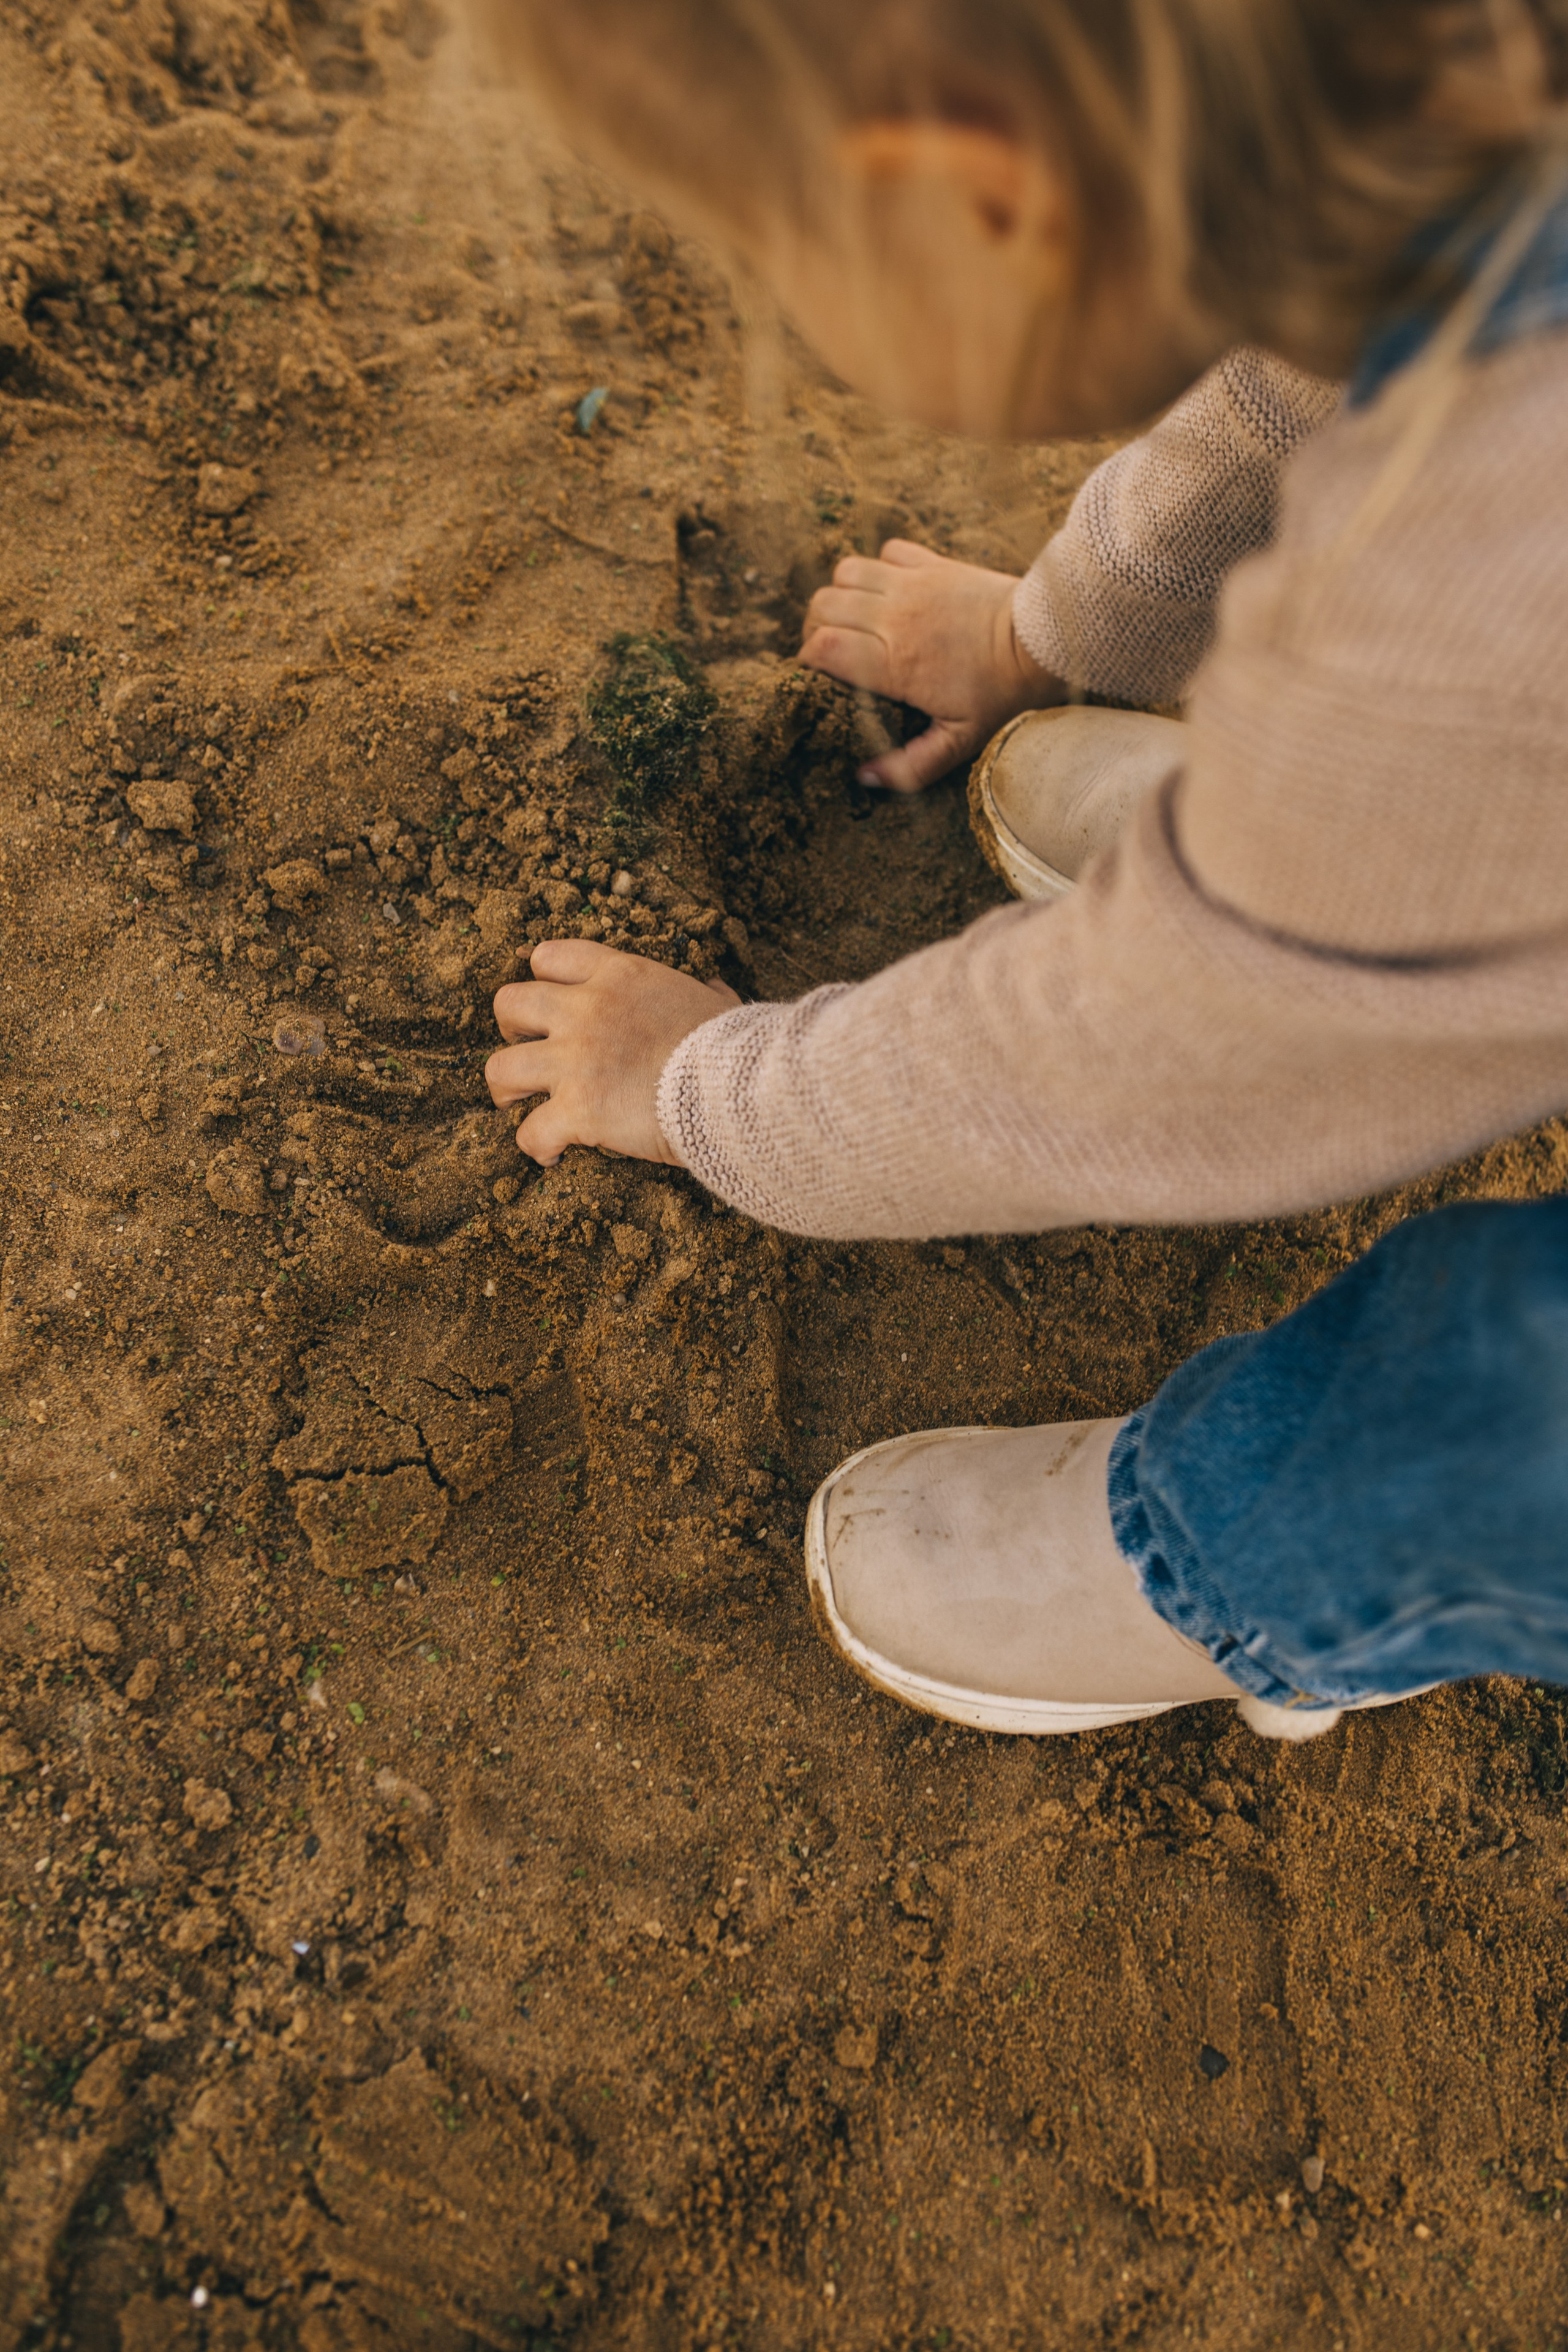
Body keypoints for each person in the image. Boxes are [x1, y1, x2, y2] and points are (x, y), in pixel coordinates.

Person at [481, 0, 1568, 1741]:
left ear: (979, 200)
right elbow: (1295, 385)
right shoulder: (1462, 80)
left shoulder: (1487, 591)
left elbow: (1135, 1056)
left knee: (1518, 1410)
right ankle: (1375, 876)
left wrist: (706, 1091)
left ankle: (1251, 1558)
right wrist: (1054, 632)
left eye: (769, 257)